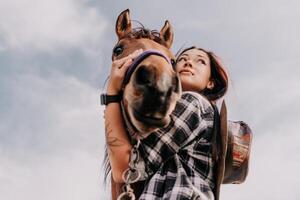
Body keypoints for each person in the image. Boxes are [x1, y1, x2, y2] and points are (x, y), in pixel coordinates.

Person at [104, 46, 228, 199]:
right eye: (181, 59)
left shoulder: (194, 103)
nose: (188, 62)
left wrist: (112, 92)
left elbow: (125, 169)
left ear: (210, 83)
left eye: (200, 61)